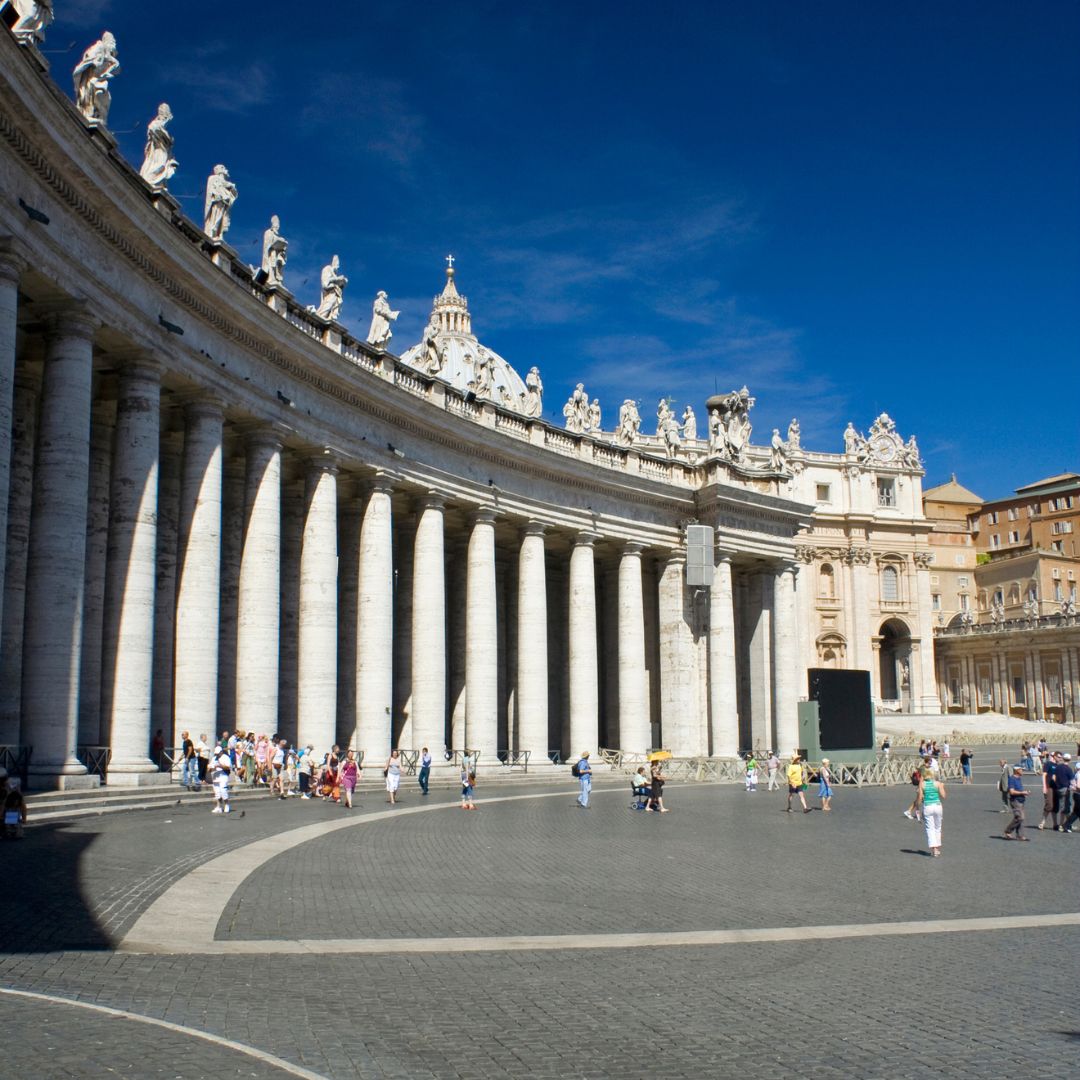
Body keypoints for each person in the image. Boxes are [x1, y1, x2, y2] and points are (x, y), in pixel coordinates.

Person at [917, 766, 946, 857]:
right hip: (937, 806)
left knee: (930, 828)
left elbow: (920, 798)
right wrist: (942, 787)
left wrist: (918, 807)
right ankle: (937, 847)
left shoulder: (922, 784)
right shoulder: (937, 783)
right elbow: (944, 796)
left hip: (928, 806)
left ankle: (934, 849)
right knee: (938, 827)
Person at [1003, 765, 1029, 840]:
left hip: (1021, 800)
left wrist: (1024, 793)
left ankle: (1020, 836)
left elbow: (1019, 789)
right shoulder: (1012, 779)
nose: (1022, 771)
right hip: (1015, 801)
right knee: (1020, 817)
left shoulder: (1019, 778)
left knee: (1020, 818)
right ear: (1017, 770)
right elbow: (1012, 791)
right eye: (1021, 769)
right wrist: (1022, 793)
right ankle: (1008, 831)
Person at [211, 744, 232, 814]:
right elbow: (210, 766)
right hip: (215, 776)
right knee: (217, 793)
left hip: (223, 775)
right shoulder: (214, 758)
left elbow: (228, 767)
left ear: (221, 752)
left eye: (218, 753)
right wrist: (211, 767)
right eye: (216, 754)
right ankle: (218, 807)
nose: (216, 755)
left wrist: (220, 765)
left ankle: (226, 804)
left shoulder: (226, 757)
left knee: (223, 791)